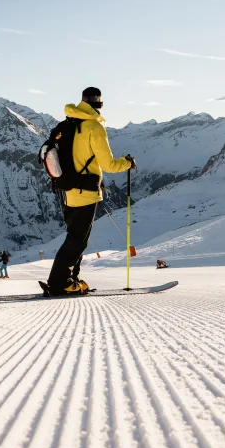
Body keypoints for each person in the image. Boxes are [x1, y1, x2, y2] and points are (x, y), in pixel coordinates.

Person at [47, 87, 135, 295]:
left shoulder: (66, 124)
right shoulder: (94, 128)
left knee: (76, 238)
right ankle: (59, 282)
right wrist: (127, 163)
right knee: (77, 241)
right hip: (85, 192)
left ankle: (71, 278)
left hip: (66, 191)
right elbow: (109, 165)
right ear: (99, 105)